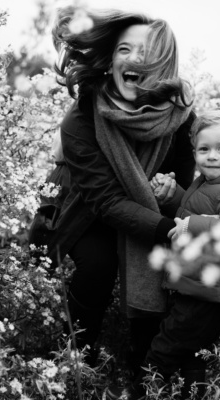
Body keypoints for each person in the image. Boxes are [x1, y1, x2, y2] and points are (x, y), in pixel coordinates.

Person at [29, 7, 196, 371]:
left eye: (146, 51)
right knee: (99, 266)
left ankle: (145, 372)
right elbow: (104, 201)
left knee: (165, 268)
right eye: (124, 49)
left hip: (146, 211)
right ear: (108, 59)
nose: (134, 59)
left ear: (163, 63)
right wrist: (171, 229)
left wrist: (175, 195)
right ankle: (74, 361)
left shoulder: (180, 116)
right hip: (81, 209)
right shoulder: (82, 116)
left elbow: (187, 184)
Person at [110, 107, 220, 399]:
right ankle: (192, 393)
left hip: (211, 293)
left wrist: (190, 226)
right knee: (192, 353)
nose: (212, 156)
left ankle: (138, 393)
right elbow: (198, 210)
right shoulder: (211, 184)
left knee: (165, 346)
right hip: (199, 287)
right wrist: (173, 199)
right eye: (204, 148)